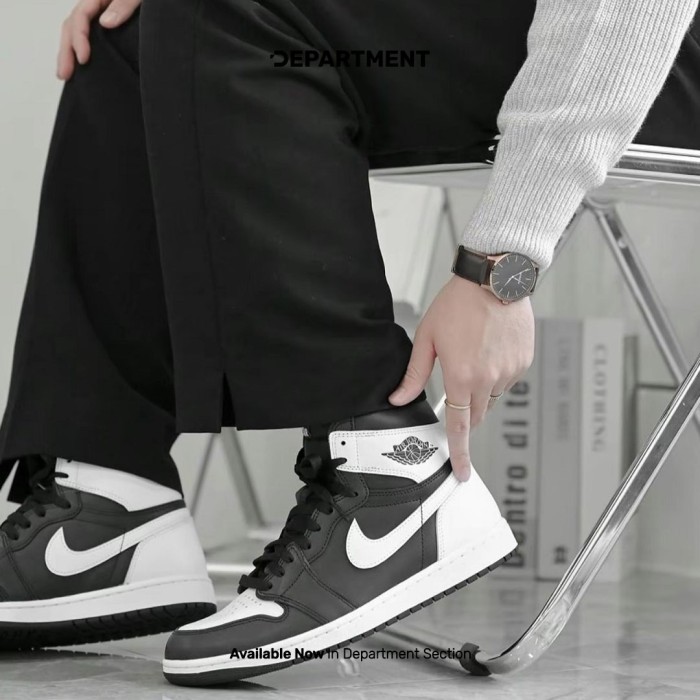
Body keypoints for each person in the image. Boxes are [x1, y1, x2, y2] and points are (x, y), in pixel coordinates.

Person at [0, 0, 697, 687]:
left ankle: (388, 469)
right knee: (129, 30)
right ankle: (110, 499)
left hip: (645, 46)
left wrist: (502, 266)